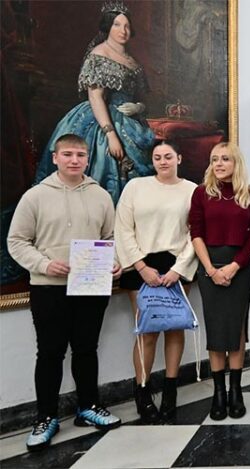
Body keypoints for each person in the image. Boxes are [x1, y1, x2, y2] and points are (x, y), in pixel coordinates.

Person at [8, 134, 122, 451]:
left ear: (87, 159)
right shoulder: (35, 196)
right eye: (68, 154)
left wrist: (114, 263)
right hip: (49, 289)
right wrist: (44, 264)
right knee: (50, 353)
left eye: (80, 155)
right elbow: (16, 241)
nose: (75, 160)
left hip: (91, 287)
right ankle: (46, 417)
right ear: (56, 157)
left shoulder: (100, 195)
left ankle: (88, 407)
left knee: (87, 349)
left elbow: (111, 237)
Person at [34, 1, 154, 204]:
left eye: (126, 26)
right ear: (108, 26)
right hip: (101, 121)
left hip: (130, 121)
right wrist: (110, 134)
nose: (123, 30)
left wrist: (138, 107)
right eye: (117, 25)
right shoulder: (99, 54)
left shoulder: (132, 61)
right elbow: (95, 96)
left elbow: (143, 98)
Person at [114, 140, 197, 424]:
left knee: (174, 328)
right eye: (157, 157)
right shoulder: (135, 187)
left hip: (176, 266)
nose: (162, 161)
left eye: (168, 156)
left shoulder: (192, 190)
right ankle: (143, 391)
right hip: (141, 266)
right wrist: (140, 266)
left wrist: (179, 268)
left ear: (179, 158)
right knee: (146, 332)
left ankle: (171, 392)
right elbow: (123, 228)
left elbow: (195, 234)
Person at [189, 142, 250, 421]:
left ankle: (236, 392)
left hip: (240, 268)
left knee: (236, 331)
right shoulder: (201, 193)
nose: (219, 164)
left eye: (225, 159)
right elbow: (195, 233)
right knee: (217, 332)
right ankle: (218, 393)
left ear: (236, 163)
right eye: (214, 159)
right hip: (209, 266)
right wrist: (210, 269)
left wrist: (233, 267)